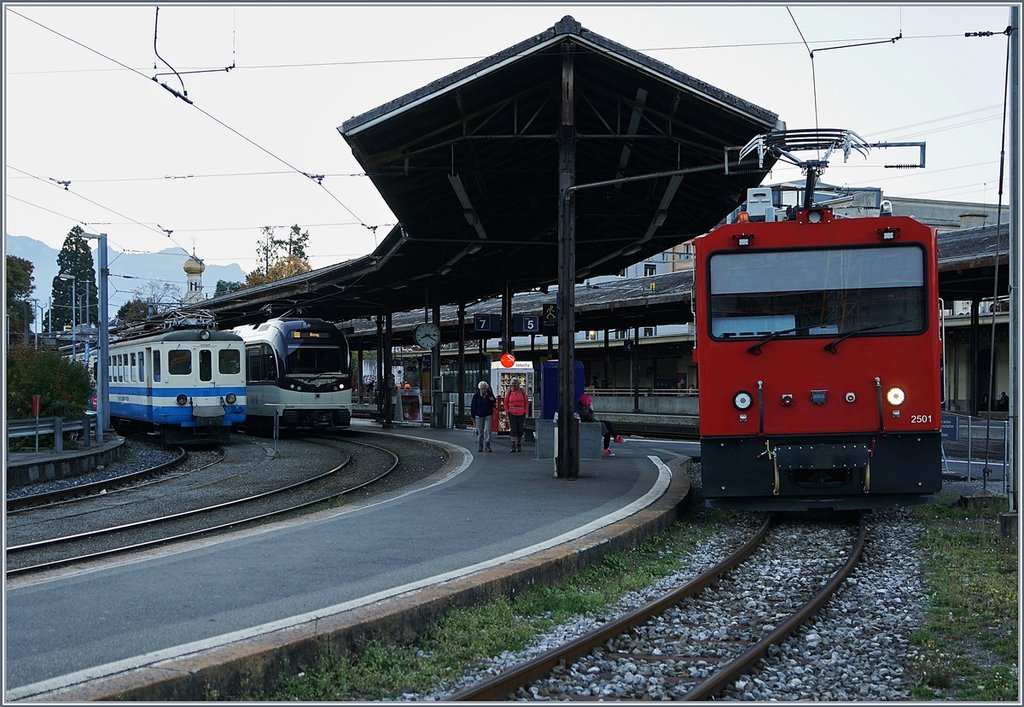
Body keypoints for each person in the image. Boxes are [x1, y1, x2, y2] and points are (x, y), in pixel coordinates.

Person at [504, 377, 529, 453]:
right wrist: (507, 411)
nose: (514, 385)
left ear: (518, 384)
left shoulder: (522, 391)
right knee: (514, 429)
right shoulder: (509, 392)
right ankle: (513, 444)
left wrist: (525, 411)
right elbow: (505, 402)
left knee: (520, 429)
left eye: (515, 383)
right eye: (512, 383)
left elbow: (526, 402)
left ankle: (518, 443)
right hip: (512, 412)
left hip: (521, 412)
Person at [471, 380, 497, 452]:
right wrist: (473, 416)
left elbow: (494, 403)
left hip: (488, 414)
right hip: (479, 415)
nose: (483, 390)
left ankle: (487, 445)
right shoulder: (476, 395)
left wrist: (493, 400)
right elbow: (473, 406)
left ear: (487, 388)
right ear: (479, 388)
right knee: (480, 431)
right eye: (482, 388)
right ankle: (480, 445)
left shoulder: (489, 394)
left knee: (488, 430)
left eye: (485, 388)